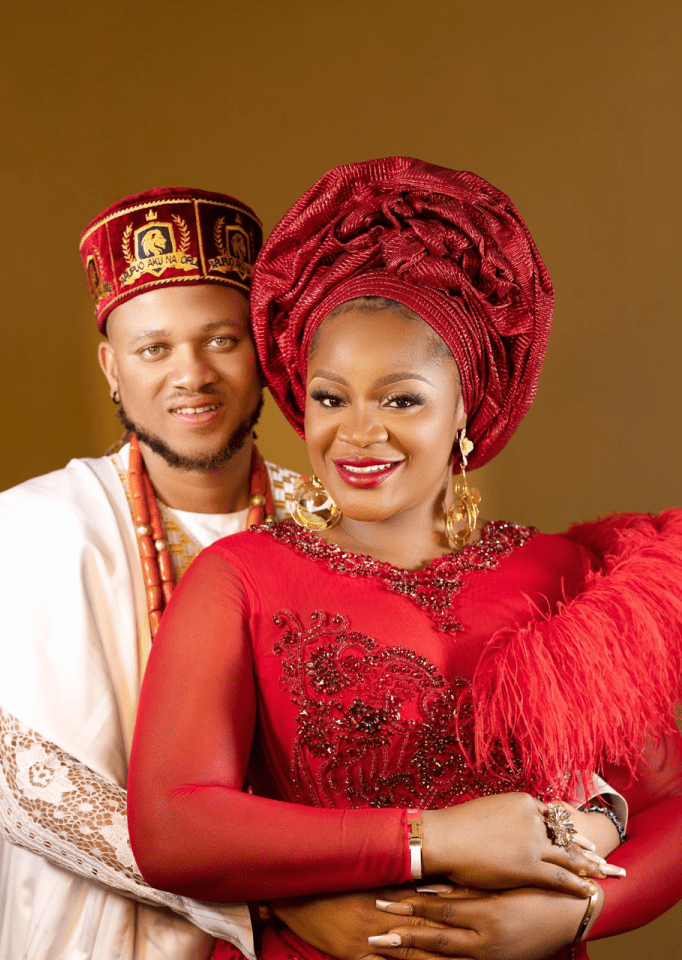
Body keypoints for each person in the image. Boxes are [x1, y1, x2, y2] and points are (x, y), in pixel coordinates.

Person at [127, 158, 682, 960]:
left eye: (400, 399)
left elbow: (667, 805)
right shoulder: (241, 577)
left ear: (465, 407)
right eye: (331, 397)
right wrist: (432, 839)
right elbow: (174, 827)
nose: (357, 434)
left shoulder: (567, 575)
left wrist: (576, 914)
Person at [0, 186, 302, 960]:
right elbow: (40, 797)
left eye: (221, 340)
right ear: (112, 368)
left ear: (263, 352)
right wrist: (270, 903)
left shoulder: (329, 522)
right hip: (91, 934)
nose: (192, 374)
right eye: (154, 349)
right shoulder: (34, 534)